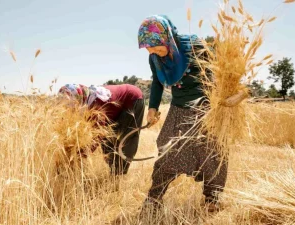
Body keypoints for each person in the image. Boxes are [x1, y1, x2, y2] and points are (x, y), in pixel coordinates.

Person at [137, 15, 234, 212]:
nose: (155, 53)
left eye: (157, 48)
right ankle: (154, 198)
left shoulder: (194, 46)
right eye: (150, 50)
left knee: (212, 151)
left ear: (167, 38)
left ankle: (212, 199)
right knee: (166, 149)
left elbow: (219, 71)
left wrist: (224, 98)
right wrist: (153, 108)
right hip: (178, 107)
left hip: (204, 107)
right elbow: (156, 82)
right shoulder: (154, 58)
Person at [58, 83, 145, 175]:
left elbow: (97, 136)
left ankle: (119, 175)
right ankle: (114, 172)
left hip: (132, 100)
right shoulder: (84, 100)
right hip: (115, 107)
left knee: (125, 140)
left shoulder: (96, 105)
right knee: (108, 143)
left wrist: (78, 157)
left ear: (79, 98)